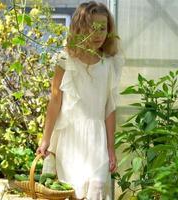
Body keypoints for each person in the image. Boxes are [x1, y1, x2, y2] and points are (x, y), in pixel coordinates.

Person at [36, 1, 124, 200]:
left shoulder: (108, 64)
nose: (99, 33)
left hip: (97, 138)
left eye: (103, 28)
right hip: (69, 136)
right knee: (72, 191)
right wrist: (46, 139)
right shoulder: (65, 59)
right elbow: (55, 101)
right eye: (92, 27)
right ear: (80, 28)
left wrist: (111, 148)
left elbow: (109, 108)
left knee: (98, 188)